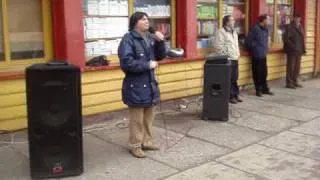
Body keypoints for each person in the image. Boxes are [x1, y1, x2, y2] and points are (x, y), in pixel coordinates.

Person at [118, 12, 166, 158]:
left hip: (150, 84)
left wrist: (160, 41)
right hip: (136, 86)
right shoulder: (128, 39)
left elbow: (160, 56)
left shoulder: (150, 37)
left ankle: (147, 142)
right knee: (137, 120)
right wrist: (146, 65)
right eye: (143, 19)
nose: (147, 21)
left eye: (147, 19)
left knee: (149, 117)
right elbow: (126, 63)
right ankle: (135, 145)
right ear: (135, 22)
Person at [215, 15, 243, 104]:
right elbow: (218, 47)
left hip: (235, 58)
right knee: (229, 78)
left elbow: (235, 45)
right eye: (232, 20)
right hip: (228, 59)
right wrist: (226, 56)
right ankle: (230, 96)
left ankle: (235, 94)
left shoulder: (234, 32)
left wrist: (237, 54)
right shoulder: (221, 32)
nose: (234, 21)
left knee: (235, 77)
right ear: (227, 22)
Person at [246, 15, 274, 97]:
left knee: (264, 73)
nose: (269, 21)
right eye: (268, 19)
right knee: (257, 73)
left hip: (263, 54)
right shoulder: (255, 29)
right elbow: (248, 41)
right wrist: (256, 47)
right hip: (257, 54)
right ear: (263, 20)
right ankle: (258, 90)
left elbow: (266, 40)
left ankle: (265, 89)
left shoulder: (265, 29)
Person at [283, 14, 306, 89]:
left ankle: (295, 81)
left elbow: (302, 38)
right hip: (292, 50)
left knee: (297, 67)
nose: (298, 20)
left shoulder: (300, 26)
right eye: (296, 18)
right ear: (293, 18)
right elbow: (286, 39)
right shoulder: (289, 27)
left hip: (299, 50)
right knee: (290, 67)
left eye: (299, 18)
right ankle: (289, 83)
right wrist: (293, 47)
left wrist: (303, 48)